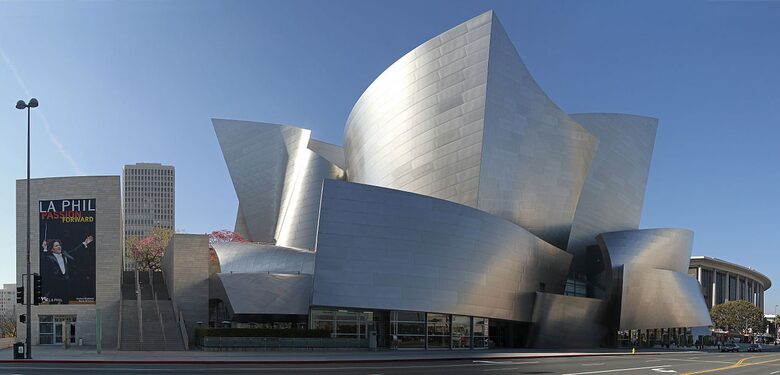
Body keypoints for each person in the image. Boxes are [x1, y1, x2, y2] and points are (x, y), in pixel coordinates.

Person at [41, 235, 94, 304]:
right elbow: (43, 262)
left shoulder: (65, 254)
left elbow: (75, 251)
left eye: (59, 245)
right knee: (54, 303)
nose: (59, 246)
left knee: (66, 302)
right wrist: (45, 249)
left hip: (66, 285)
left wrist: (84, 243)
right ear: (52, 249)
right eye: (56, 246)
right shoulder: (49, 257)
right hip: (54, 286)